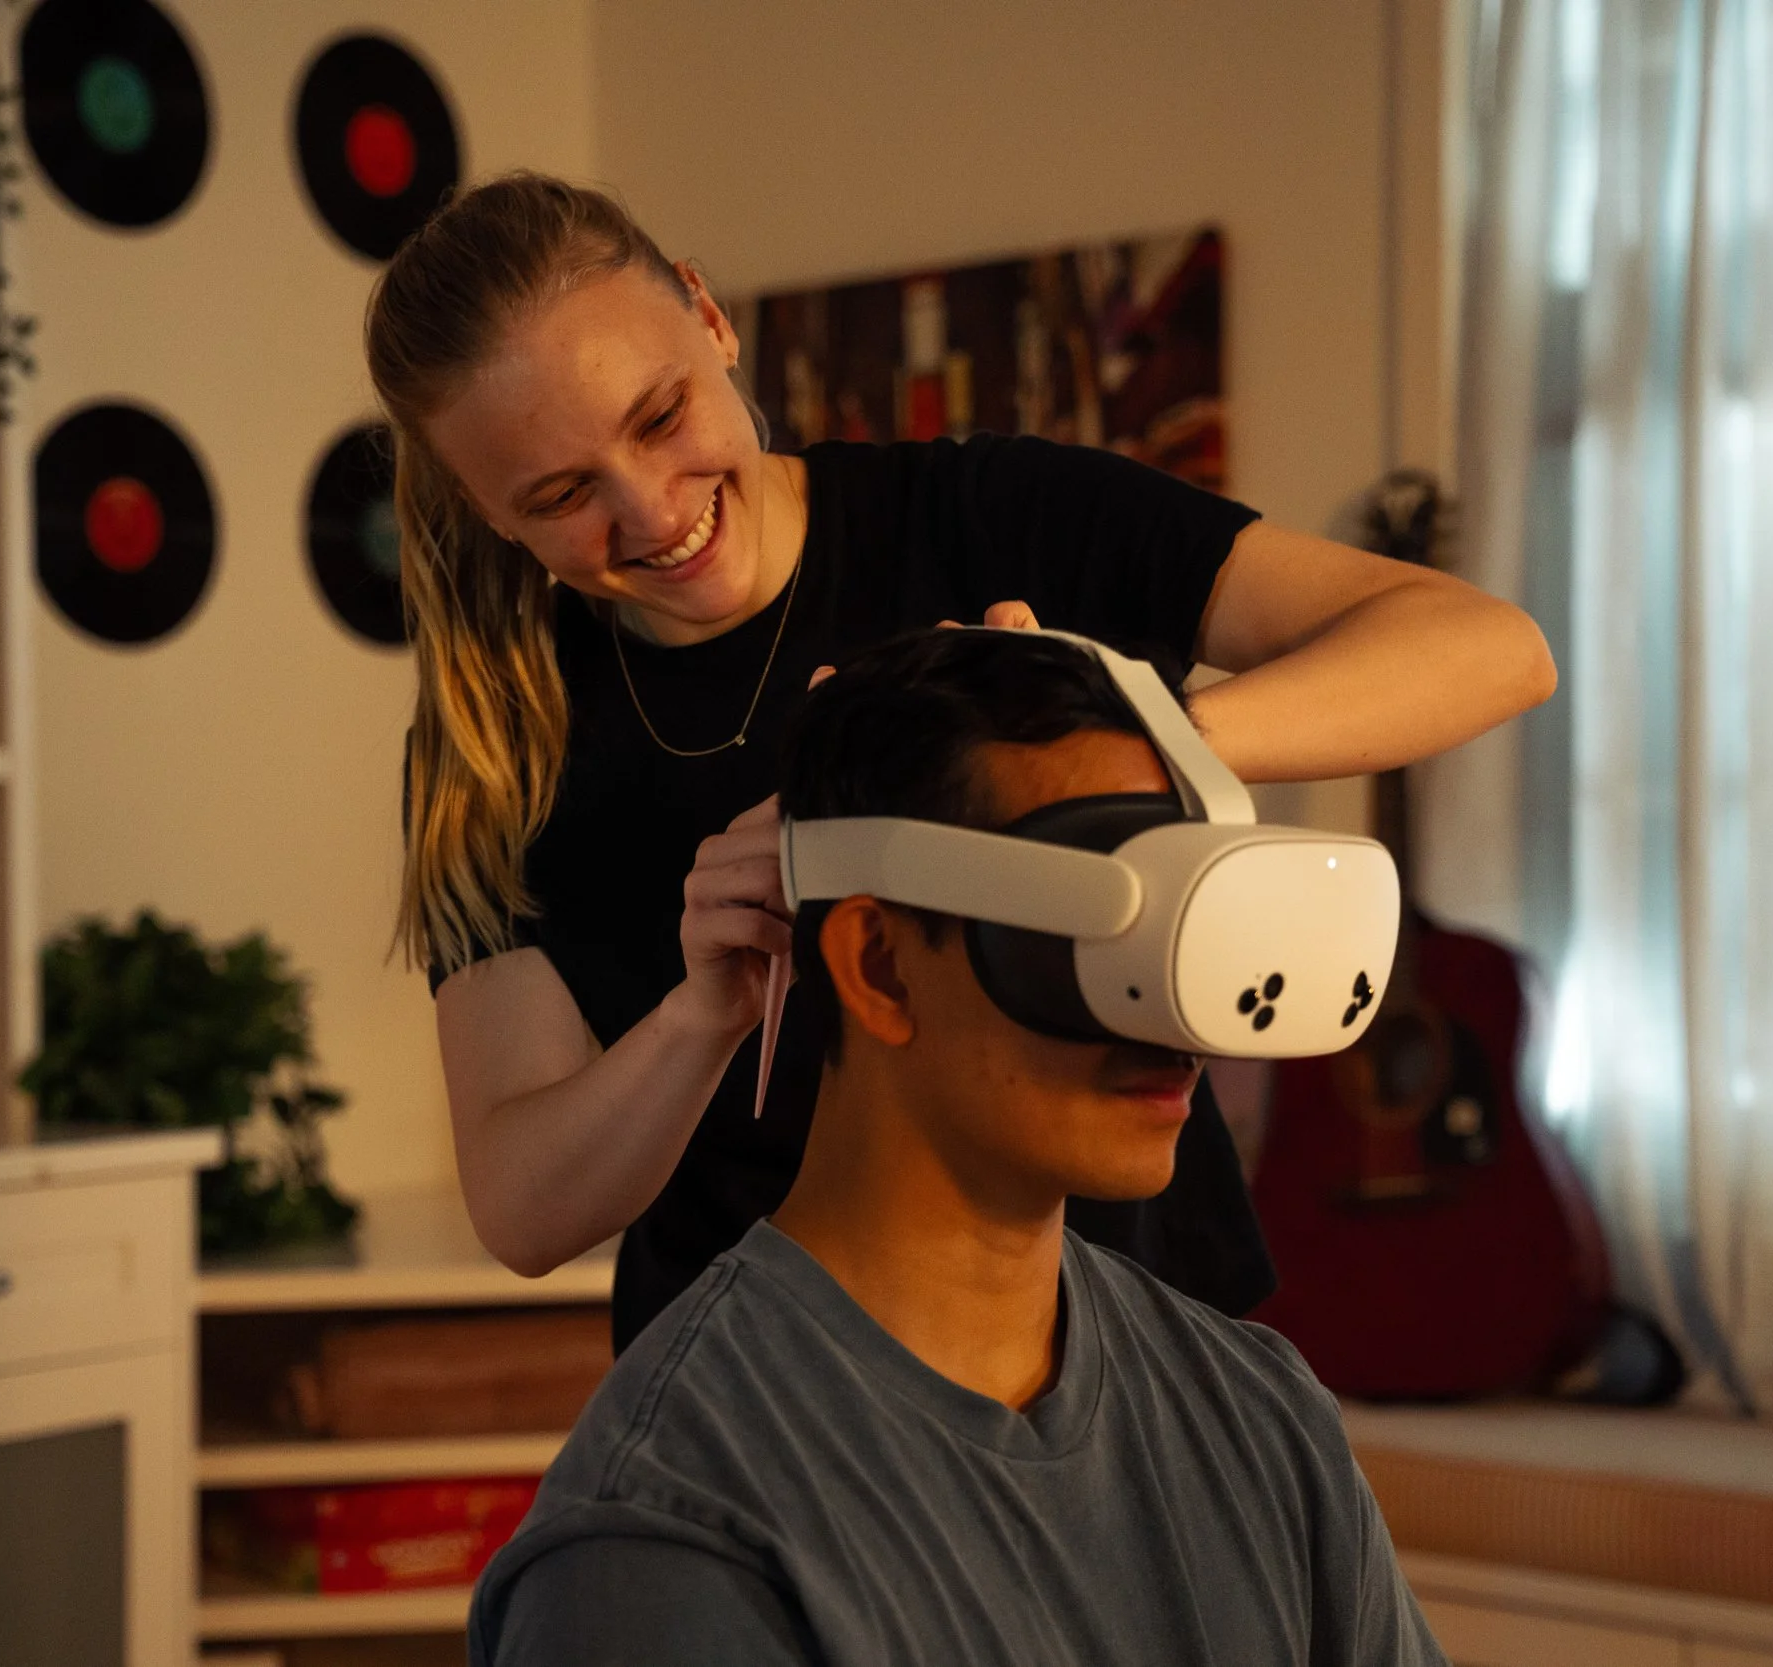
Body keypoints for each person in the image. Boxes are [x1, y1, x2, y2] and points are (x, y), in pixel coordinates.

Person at [367, 171, 1556, 1351]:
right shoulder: (495, 736)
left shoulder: (993, 516)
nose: (648, 508)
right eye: (563, 493)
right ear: (486, 510)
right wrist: (699, 1018)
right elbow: (524, 1210)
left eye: (661, 414)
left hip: (1132, 1327)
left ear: (707, 313)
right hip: (765, 1378)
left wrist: (1098, 744)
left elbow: (1486, 648)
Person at [466, 629, 1449, 1666]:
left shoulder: (1258, 1415)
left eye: (1186, 937)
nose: (1178, 1025)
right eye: (1107, 945)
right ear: (882, 964)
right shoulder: (673, 1537)